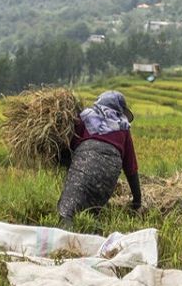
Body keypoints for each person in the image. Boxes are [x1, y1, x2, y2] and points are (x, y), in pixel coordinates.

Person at [56, 90, 142, 229]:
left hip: (86, 161)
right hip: (111, 171)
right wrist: (137, 201)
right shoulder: (123, 127)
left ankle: (68, 246)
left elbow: (68, 145)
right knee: (91, 212)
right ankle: (95, 240)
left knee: (66, 211)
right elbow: (131, 167)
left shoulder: (85, 117)